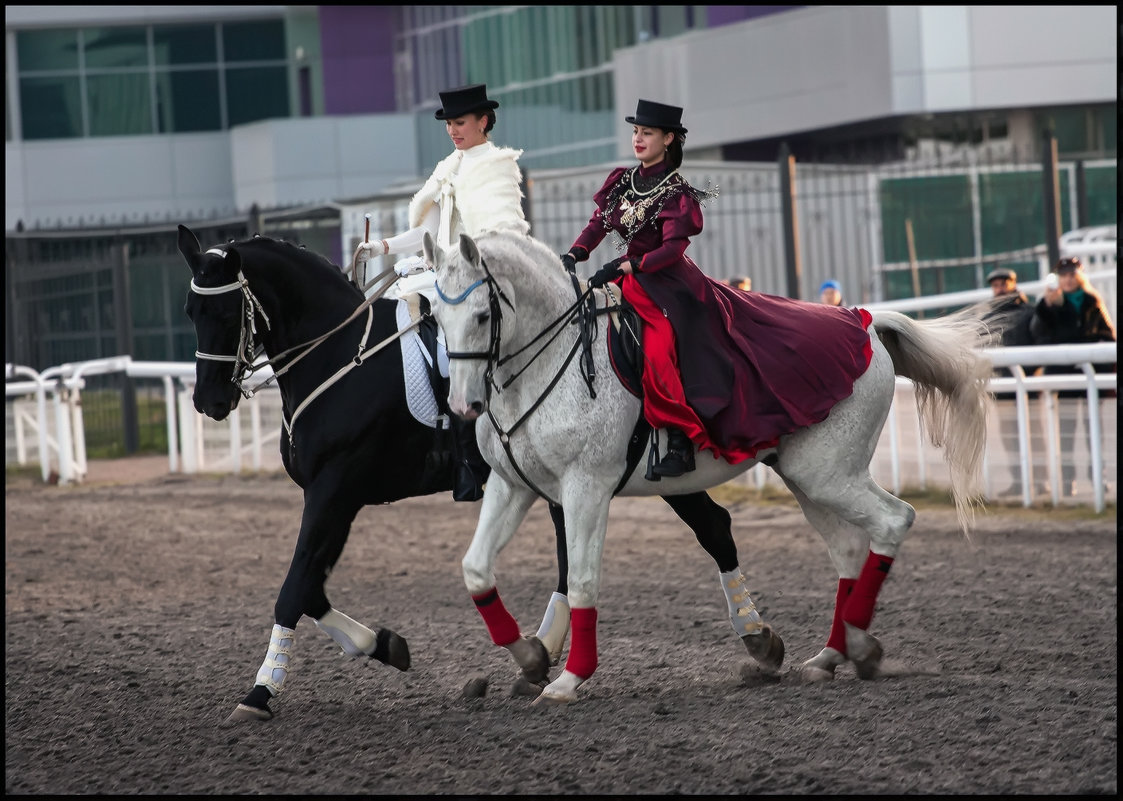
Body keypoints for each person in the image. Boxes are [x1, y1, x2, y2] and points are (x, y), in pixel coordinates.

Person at [353, 84, 571, 657]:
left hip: (484, 276)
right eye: (448, 121)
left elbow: (496, 235)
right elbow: (432, 236)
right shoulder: (448, 165)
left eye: (462, 120)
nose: (453, 128)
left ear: (483, 121)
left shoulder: (495, 168)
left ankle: (468, 456)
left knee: (455, 349)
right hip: (444, 269)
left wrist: (453, 272)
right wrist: (383, 252)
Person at [560, 99, 875, 482]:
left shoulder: (676, 193)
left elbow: (673, 249)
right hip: (629, 279)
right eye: (636, 131)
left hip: (670, 284)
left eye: (648, 133)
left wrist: (631, 264)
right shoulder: (622, 182)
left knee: (658, 349)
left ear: (668, 138)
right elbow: (598, 224)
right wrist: (576, 252)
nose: (638, 139)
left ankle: (679, 440)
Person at [1029, 256, 1116, 496]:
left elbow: (1108, 335)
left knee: (1094, 433)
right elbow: (1039, 334)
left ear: (1078, 276)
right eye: (1064, 275)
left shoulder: (1092, 301)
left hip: (1091, 375)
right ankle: (1069, 482)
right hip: (1063, 375)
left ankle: (1099, 478)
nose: (1068, 279)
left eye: (1071, 275)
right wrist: (1047, 306)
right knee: (1066, 433)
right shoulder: (1050, 303)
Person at [978, 267, 1040, 496]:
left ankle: (1040, 481)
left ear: (1013, 284)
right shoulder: (988, 317)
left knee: (1033, 434)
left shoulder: (1030, 312)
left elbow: (1040, 341)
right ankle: (1018, 481)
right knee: (1010, 436)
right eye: (996, 285)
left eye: (1004, 284)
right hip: (1002, 384)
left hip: (1029, 383)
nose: (1000, 288)